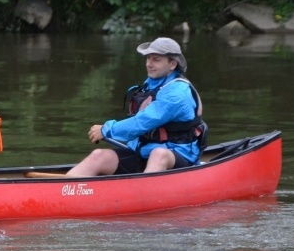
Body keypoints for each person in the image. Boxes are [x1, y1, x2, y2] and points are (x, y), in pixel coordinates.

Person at [66, 37, 206, 177]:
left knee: (159, 154)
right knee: (98, 155)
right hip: (143, 153)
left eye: (156, 60)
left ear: (172, 64)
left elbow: (142, 122)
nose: (149, 64)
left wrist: (107, 129)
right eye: (148, 58)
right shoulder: (153, 83)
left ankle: (143, 194)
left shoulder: (177, 93)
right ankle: (63, 189)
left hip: (178, 156)